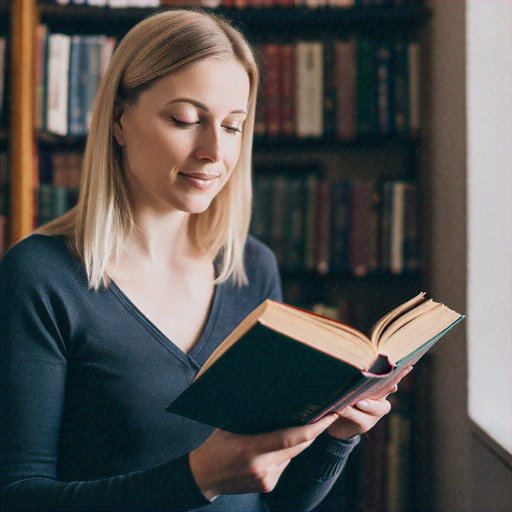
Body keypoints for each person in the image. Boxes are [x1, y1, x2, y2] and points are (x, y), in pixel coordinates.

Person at [1, 9, 410, 511]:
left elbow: (277, 502)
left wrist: (338, 436)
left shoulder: (250, 268)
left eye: (234, 126)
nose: (214, 151)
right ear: (118, 121)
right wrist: (197, 478)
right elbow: (17, 497)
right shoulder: (41, 277)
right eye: (185, 120)